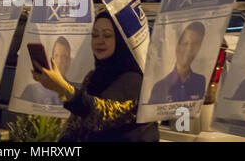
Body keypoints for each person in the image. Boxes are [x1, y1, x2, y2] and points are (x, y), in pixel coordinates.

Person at [32, 12, 159, 141]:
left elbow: (101, 114)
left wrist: (64, 89)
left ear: (122, 40)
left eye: (107, 35)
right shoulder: (93, 76)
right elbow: (76, 125)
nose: (99, 41)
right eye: (95, 35)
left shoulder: (135, 79)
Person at [149, 22, 207, 104]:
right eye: (185, 43)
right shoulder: (160, 87)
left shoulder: (201, 82)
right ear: (177, 46)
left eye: (195, 44)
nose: (189, 49)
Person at [21, 36, 72, 106]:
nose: (60, 61)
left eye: (64, 56)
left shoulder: (77, 91)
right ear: (52, 59)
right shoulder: (31, 90)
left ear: (69, 61)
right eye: (56, 56)